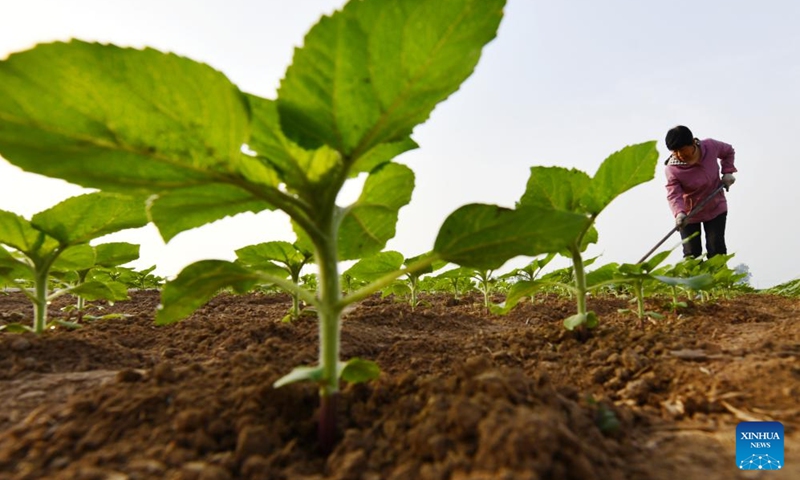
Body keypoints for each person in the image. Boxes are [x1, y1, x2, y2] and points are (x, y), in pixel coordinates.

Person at [664, 125, 737, 259]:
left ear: (692, 143)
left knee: (716, 249)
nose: (679, 155)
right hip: (689, 215)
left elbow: (728, 151)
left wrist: (728, 172)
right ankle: (694, 279)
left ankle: (717, 280)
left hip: (715, 206)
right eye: (675, 151)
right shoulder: (672, 169)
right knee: (692, 254)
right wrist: (679, 214)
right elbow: (674, 194)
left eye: (682, 150)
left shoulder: (710, 146)